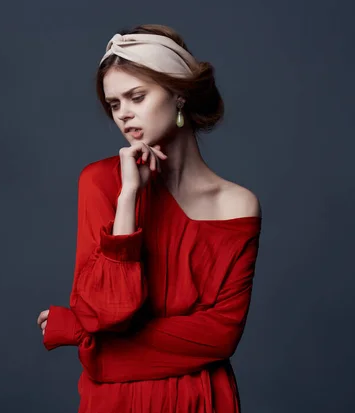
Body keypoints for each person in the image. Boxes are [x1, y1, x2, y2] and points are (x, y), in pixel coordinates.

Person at [36, 24, 262, 413]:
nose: (124, 114)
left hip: (202, 398)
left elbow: (220, 336)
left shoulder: (238, 205)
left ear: (178, 94)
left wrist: (92, 342)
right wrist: (129, 198)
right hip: (115, 401)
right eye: (114, 104)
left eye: (136, 97)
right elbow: (103, 312)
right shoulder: (101, 183)